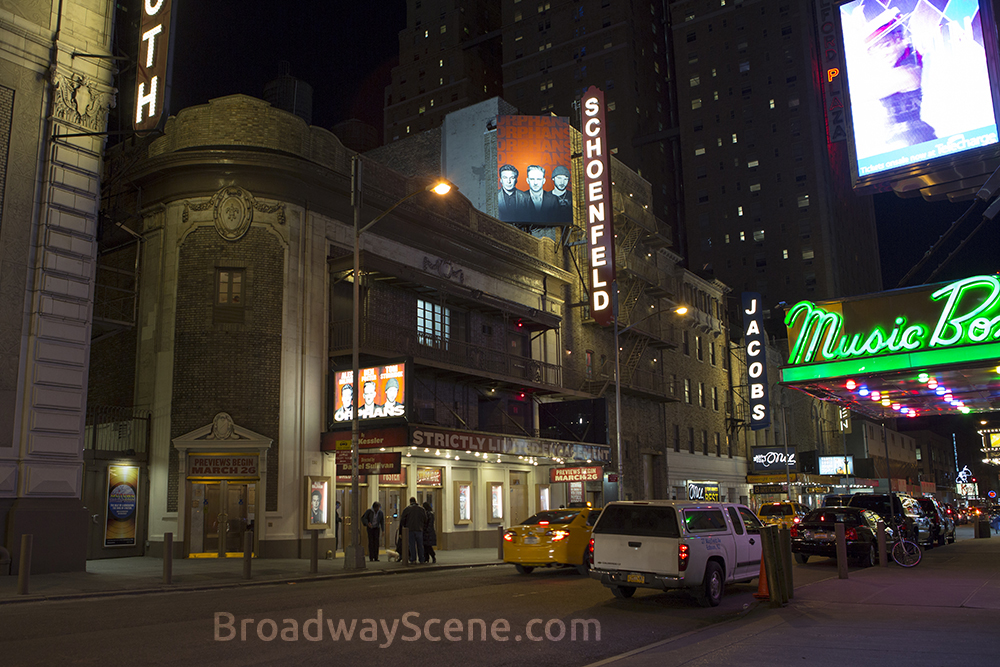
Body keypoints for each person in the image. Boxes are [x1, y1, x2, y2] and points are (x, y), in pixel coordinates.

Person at [400, 496, 427, 564]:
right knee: (420, 545)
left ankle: (413, 559)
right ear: (416, 501)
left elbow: (402, 520)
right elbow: (425, 519)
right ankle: (421, 559)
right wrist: (422, 526)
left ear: (410, 502)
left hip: (410, 529)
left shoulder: (407, 509)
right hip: (419, 529)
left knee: (412, 545)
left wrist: (402, 529)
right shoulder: (422, 509)